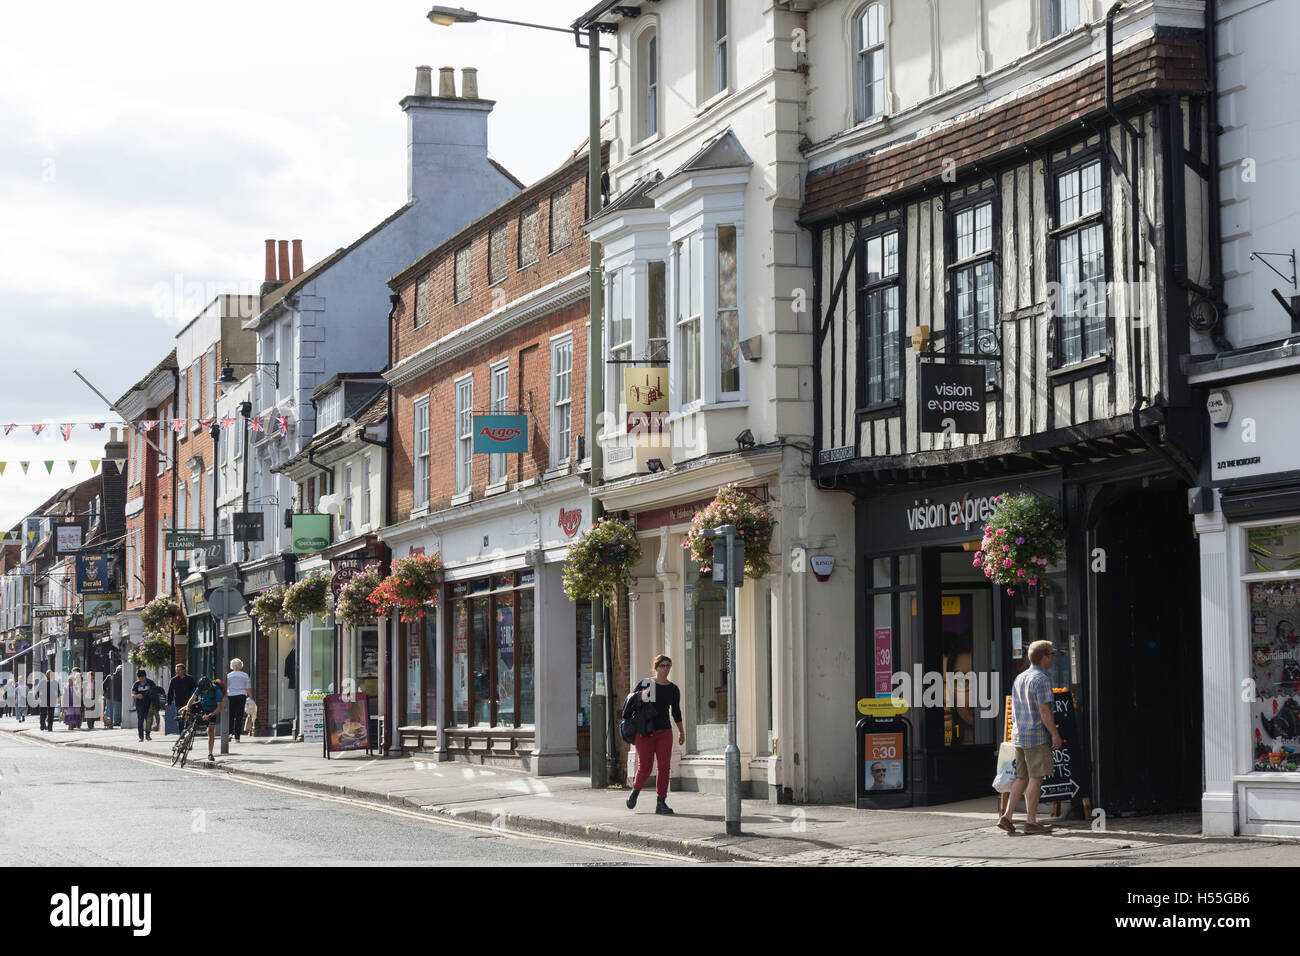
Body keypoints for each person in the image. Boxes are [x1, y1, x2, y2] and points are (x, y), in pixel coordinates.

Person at [997, 640, 1063, 835]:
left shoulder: (1020, 678)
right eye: (1051, 654)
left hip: (1019, 734)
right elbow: (1044, 711)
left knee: (1021, 777)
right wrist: (1055, 734)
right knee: (1036, 778)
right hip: (1035, 735)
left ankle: (1007, 817)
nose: (1053, 657)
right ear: (1044, 657)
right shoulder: (1042, 679)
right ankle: (1031, 821)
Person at [625, 654, 685, 815]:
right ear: (656, 667)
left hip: (665, 731)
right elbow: (631, 705)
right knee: (645, 767)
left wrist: (681, 732)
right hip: (646, 732)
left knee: (664, 767)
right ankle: (635, 791)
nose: (665, 669)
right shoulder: (647, 683)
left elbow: (676, 713)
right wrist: (641, 697)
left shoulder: (673, 689)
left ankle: (661, 802)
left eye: (668, 665)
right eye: (662, 666)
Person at [179, 676, 224, 763]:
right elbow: (192, 699)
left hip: (212, 710)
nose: (203, 692)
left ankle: (210, 753)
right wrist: (187, 710)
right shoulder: (200, 688)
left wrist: (209, 715)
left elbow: (219, 708)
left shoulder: (216, 690)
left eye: (204, 690)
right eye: (201, 690)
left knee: (210, 731)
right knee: (181, 711)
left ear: (209, 687)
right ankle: (188, 734)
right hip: (202, 705)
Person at [225, 659, 251, 742]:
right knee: (239, 716)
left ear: (232, 666)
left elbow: (225, 687)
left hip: (231, 696)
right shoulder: (245, 675)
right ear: (241, 665)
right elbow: (248, 688)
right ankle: (237, 737)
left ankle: (229, 733)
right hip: (241, 695)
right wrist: (251, 697)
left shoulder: (228, 676)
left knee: (231, 716)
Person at [167, 664, 196, 734]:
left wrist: (196, 699)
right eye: (177, 670)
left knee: (188, 717)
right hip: (179, 702)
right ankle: (181, 733)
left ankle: (186, 730)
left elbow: (195, 690)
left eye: (179, 670)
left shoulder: (190, 678)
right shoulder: (174, 680)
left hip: (188, 701)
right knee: (181, 718)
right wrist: (169, 702)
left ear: (184, 670)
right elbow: (170, 691)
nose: (177, 672)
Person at [130, 669, 157, 742]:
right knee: (140, 720)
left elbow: (155, 691)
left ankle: (148, 735)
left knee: (149, 720)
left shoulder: (150, 683)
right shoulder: (136, 684)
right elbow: (132, 694)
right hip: (140, 705)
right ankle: (141, 737)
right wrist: (137, 696)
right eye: (139, 678)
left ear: (145, 676)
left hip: (149, 704)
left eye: (142, 677)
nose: (141, 679)